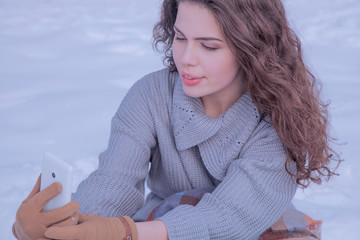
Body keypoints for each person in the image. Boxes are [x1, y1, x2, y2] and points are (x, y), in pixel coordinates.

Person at [12, 0, 340, 239]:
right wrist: (68, 223)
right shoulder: (151, 95)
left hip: (255, 226)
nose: (185, 59)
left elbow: (230, 217)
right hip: (157, 223)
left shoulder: (277, 119)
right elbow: (115, 181)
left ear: (251, 50)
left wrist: (126, 231)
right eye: (180, 38)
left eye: (208, 46)